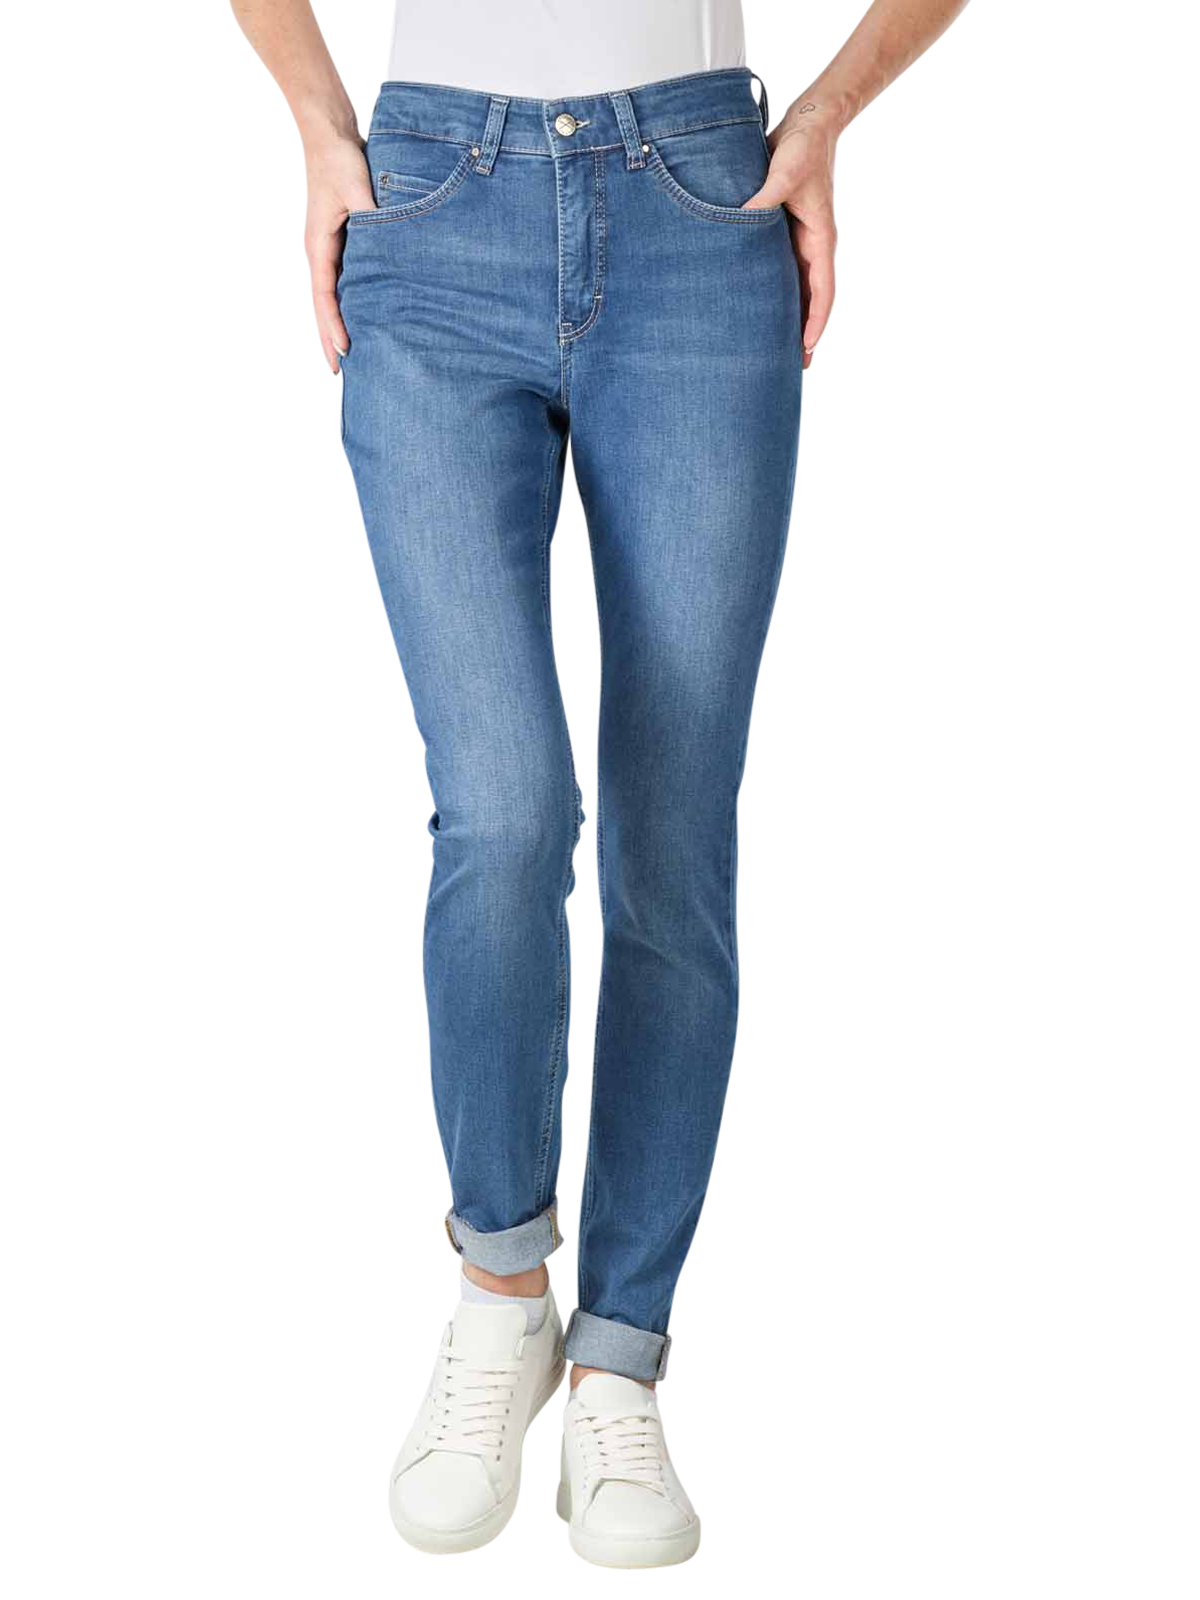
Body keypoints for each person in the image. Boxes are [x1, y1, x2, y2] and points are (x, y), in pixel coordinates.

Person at [232, 0, 965, 1568]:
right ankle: (501, 1294)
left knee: (670, 831)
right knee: (499, 806)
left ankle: (620, 1352)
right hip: (429, 199)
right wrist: (312, 119)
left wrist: (828, 114)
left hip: (701, 199)